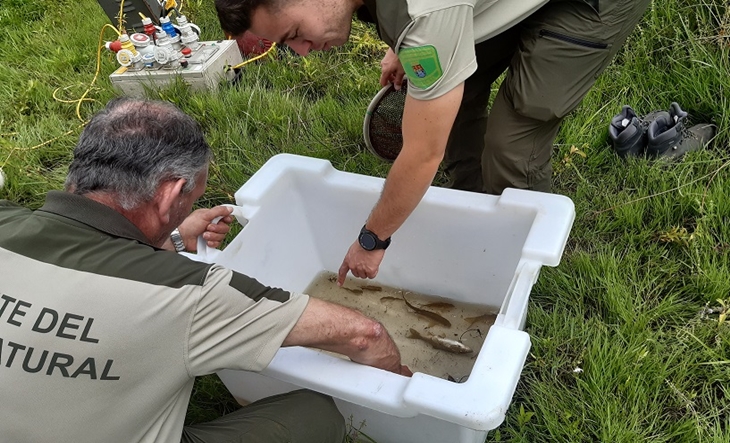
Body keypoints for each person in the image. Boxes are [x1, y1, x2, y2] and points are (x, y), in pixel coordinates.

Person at [0, 97, 411, 443]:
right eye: (192, 195)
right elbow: (363, 334)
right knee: (316, 412)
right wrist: (403, 380)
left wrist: (174, 236)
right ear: (172, 193)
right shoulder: (190, 293)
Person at [214, 0, 652, 284]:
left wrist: (372, 240)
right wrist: (401, 44)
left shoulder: (423, 14)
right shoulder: (419, 19)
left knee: (513, 137)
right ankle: (472, 205)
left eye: (293, 35)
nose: (304, 52)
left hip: (590, 5)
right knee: (456, 101)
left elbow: (423, 151)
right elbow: (430, 23)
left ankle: (520, 266)